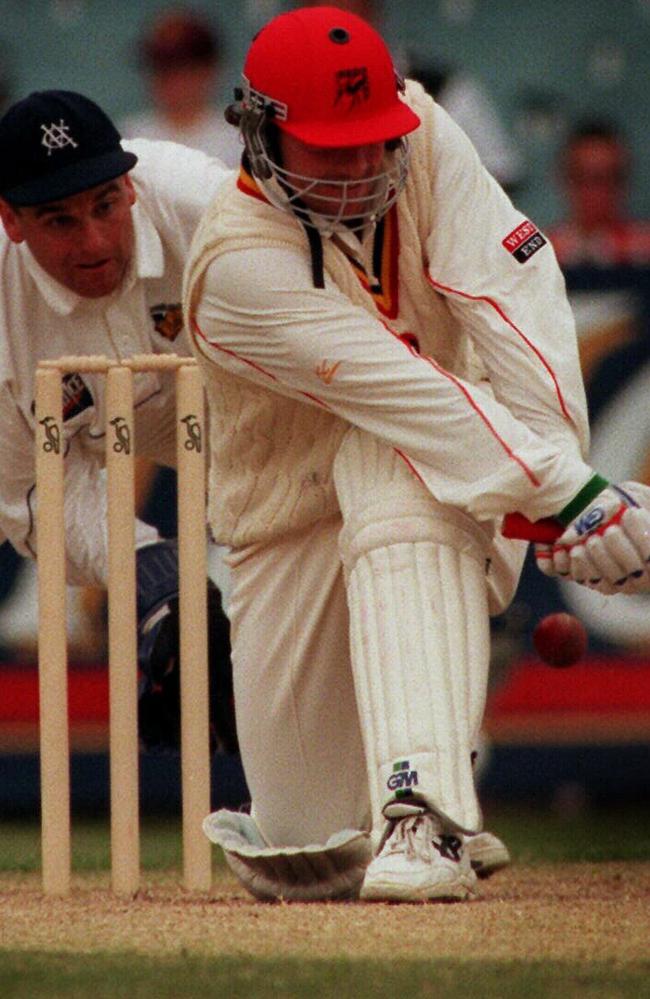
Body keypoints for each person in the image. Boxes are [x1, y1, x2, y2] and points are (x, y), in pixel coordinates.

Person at [184, 6, 650, 904]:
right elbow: (411, 391)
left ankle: (424, 814)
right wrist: (576, 498)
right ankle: (372, 809)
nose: (366, 167)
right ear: (261, 129)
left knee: (390, 461)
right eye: (333, 148)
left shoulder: (425, 132)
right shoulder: (235, 270)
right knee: (309, 847)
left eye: (376, 141)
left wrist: (571, 490)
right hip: (290, 534)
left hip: (457, 489)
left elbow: (515, 297)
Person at [0, 89, 238, 755]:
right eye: (59, 221)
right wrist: (149, 571)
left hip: (254, 401)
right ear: (11, 222)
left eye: (106, 205)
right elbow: (30, 492)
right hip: (117, 431)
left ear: (130, 186)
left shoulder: (209, 208)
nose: (96, 242)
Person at [120, 7, 242, 167]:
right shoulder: (130, 138)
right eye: (162, 68)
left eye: (185, 67)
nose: (174, 79)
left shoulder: (237, 141)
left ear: (210, 69)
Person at [548, 118, 650, 269]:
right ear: (564, 180)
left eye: (610, 177)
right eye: (583, 177)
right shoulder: (543, 251)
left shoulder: (644, 247)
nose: (597, 191)